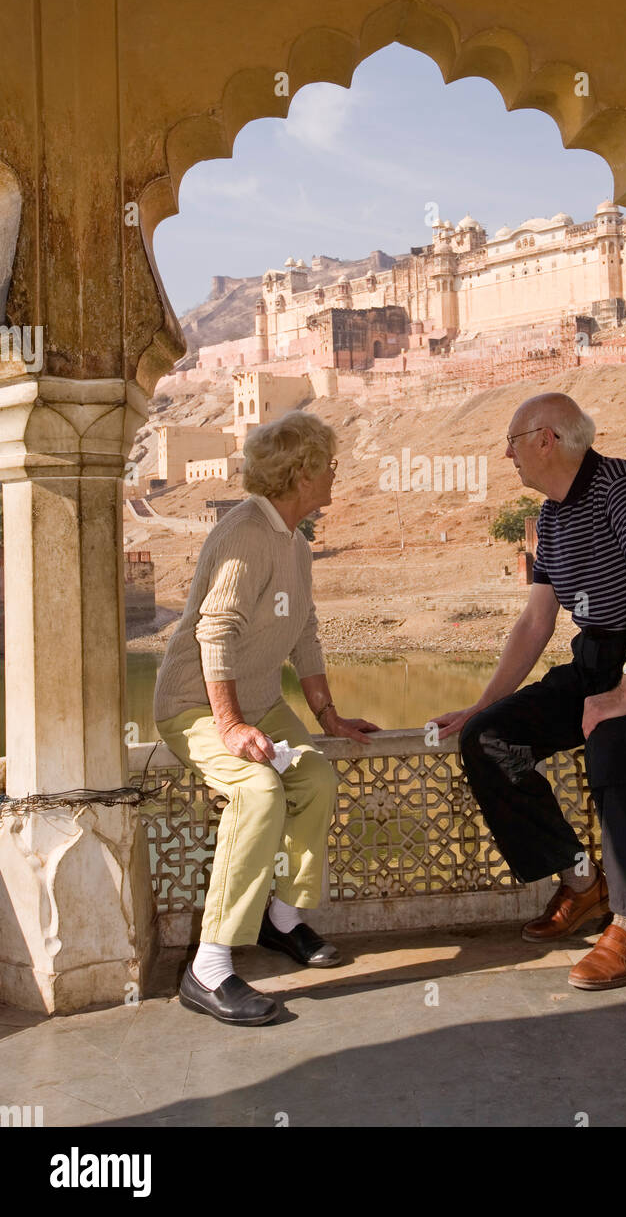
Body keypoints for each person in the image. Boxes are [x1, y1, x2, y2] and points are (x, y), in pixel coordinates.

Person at [433, 392, 626, 990]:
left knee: (613, 740)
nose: (507, 455)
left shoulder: (621, 486)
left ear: (545, 438)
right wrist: (483, 704)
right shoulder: (552, 519)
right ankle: (584, 881)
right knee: (490, 739)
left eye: (510, 442)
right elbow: (537, 623)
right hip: (596, 661)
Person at [154, 411, 379, 1025]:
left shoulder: (295, 541)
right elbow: (215, 629)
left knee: (315, 778)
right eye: (328, 463)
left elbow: (303, 630)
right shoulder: (245, 533)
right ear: (302, 471)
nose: (336, 471)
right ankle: (210, 967)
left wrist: (329, 717)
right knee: (257, 791)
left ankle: (281, 921)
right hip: (196, 703)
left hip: (259, 702)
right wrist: (227, 726)